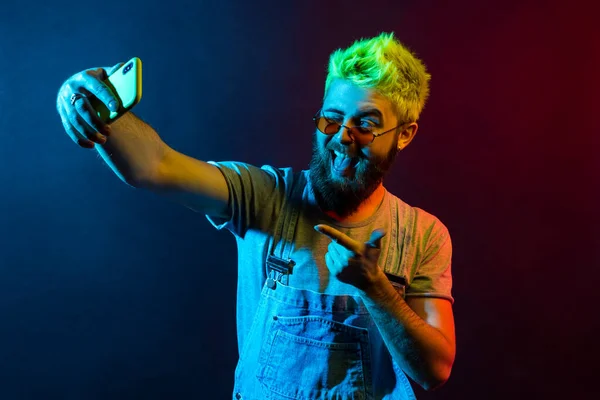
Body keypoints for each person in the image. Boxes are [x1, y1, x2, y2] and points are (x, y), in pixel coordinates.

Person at [56, 32, 455, 400]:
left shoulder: (423, 234)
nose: (342, 137)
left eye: (366, 125)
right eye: (331, 119)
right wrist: (78, 96)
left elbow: (434, 370)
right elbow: (154, 166)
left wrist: (376, 289)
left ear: (404, 134)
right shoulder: (263, 196)